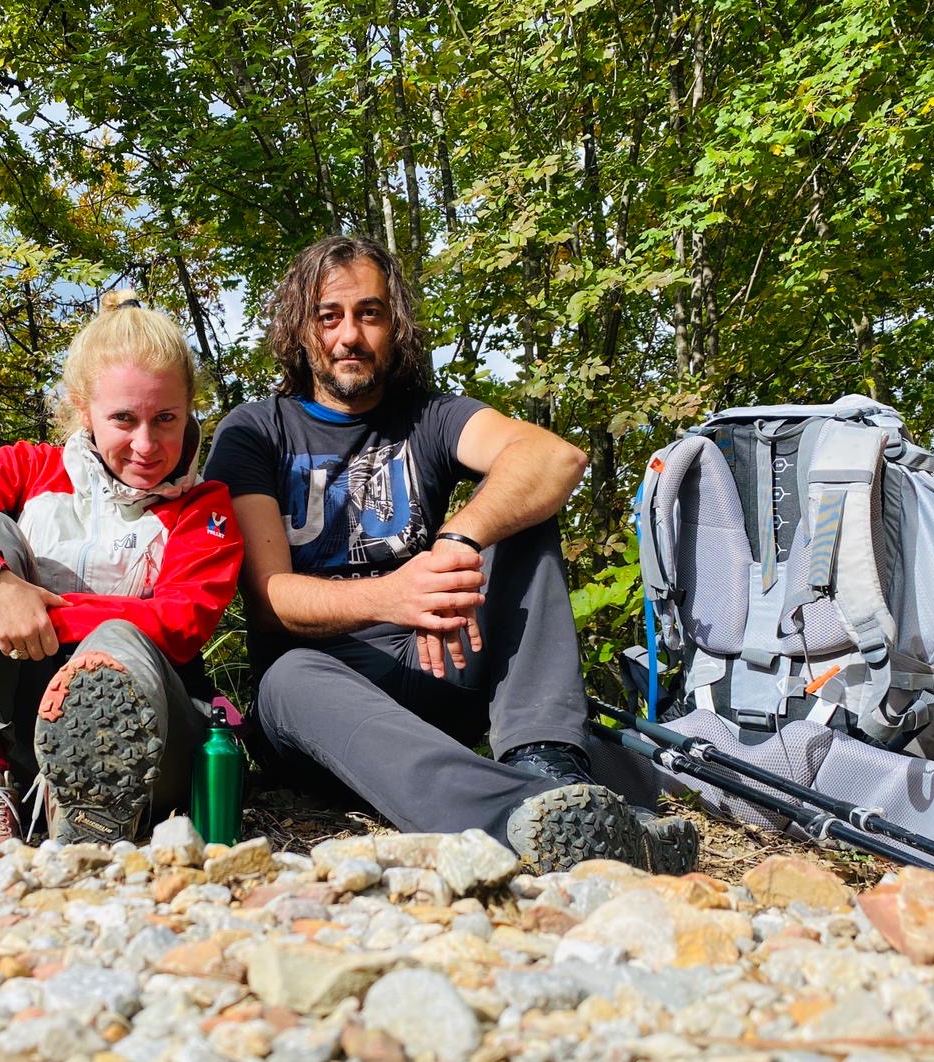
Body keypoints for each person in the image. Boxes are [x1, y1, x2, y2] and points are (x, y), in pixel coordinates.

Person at [203, 236, 696, 874]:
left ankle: (544, 762)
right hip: (321, 704)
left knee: (519, 517)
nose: (349, 335)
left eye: (369, 314)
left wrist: (458, 538)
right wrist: (392, 594)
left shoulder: (429, 418)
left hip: (436, 665)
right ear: (301, 330)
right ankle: (530, 815)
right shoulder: (256, 429)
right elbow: (269, 601)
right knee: (288, 677)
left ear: (394, 324)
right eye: (329, 316)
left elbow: (555, 458)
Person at [0, 293, 243, 849]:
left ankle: (98, 806)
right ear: (82, 409)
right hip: (19, 717)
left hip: (156, 741)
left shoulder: (205, 509)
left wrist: (13, 618)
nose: (147, 444)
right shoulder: (30, 469)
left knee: (119, 637)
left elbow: (180, 624)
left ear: (189, 410)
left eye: (166, 418)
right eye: (123, 419)